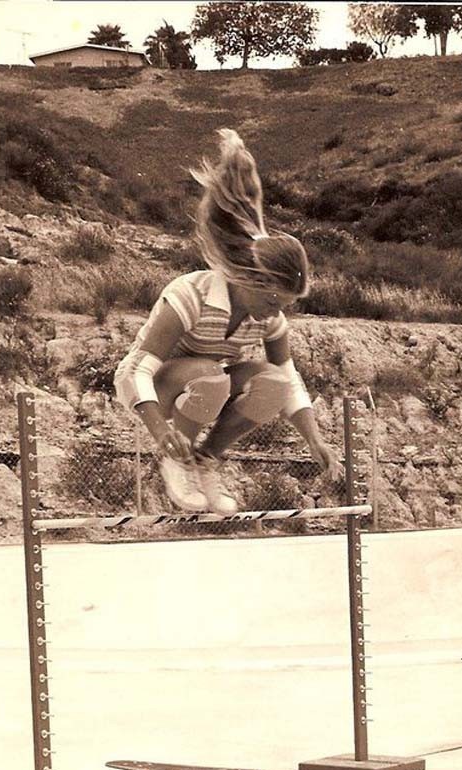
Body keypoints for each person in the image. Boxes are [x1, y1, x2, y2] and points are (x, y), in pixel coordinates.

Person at [114, 128, 342, 513]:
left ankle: (206, 460)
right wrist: (161, 433)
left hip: (204, 391)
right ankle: (177, 460)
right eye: (272, 300)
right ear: (249, 279)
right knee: (212, 375)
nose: (275, 311)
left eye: (284, 304)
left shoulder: (268, 317)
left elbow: (290, 380)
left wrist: (315, 441)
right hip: (153, 389)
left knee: (273, 383)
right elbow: (135, 372)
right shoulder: (192, 295)